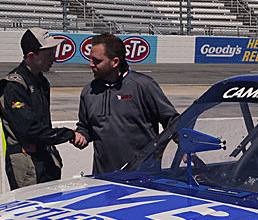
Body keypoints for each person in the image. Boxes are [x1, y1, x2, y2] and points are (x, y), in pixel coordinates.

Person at [73, 33, 179, 174]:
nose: (91, 64)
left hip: (142, 176)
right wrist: (81, 137)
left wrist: (184, 148)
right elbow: (85, 128)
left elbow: (172, 120)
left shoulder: (143, 85)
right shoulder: (89, 91)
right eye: (91, 59)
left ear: (115, 62)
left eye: (97, 61)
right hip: (103, 177)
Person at [0, 27, 76, 189]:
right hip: (27, 163)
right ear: (32, 56)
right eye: (49, 54)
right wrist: (67, 134)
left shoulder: (41, 81)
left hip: (45, 156)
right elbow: (30, 130)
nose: (54, 58)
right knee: (27, 210)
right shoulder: (14, 85)